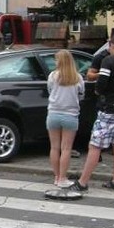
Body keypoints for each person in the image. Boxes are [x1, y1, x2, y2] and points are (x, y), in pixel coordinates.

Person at [70, 33, 114, 193]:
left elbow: (101, 85)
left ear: (112, 45)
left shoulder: (108, 61)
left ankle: (83, 183)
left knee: (95, 145)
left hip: (110, 108)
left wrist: (99, 92)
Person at [46, 50, 84, 187]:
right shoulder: (77, 78)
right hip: (70, 115)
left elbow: (50, 90)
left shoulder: (52, 76)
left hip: (53, 113)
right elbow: (81, 95)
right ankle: (63, 178)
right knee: (66, 149)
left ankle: (56, 177)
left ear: (60, 61)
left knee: (54, 148)